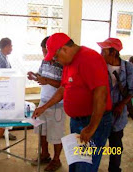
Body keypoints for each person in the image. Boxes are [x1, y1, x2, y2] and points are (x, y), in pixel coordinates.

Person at [32, 33, 113, 172]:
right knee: (75, 164)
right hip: (77, 122)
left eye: (56, 57)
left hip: (92, 122)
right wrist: (44, 107)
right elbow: (63, 88)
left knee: (85, 166)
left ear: (64, 49)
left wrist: (91, 127)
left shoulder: (90, 58)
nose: (56, 60)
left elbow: (101, 95)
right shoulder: (69, 62)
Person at [27, 36, 65, 172]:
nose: (44, 55)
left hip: (57, 104)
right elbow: (42, 75)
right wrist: (34, 75)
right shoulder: (45, 61)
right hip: (43, 101)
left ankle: (56, 160)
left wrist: (46, 81)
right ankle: (45, 154)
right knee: (41, 131)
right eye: (43, 52)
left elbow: (63, 85)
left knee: (56, 134)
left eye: (46, 52)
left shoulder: (62, 62)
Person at [97, 38, 133, 172]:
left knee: (116, 145)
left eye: (103, 51)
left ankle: (114, 169)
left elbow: (132, 90)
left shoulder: (128, 68)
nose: (101, 53)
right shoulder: (100, 65)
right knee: (96, 144)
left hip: (118, 115)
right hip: (101, 113)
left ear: (113, 52)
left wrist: (121, 105)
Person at [0, 37, 17, 141]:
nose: (11, 48)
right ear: (6, 47)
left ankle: (4, 131)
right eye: (11, 46)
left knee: (5, 113)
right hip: (0, 91)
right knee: (0, 113)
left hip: (5, 90)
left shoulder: (4, 57)